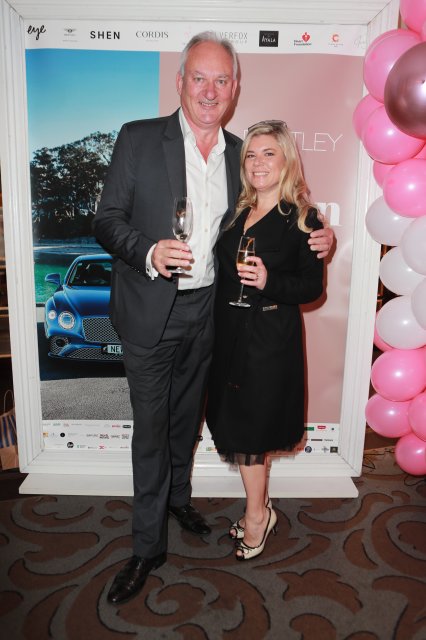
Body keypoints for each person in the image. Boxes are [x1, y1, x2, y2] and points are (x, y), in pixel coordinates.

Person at [94, 32, 333, 604]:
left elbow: (279, 214)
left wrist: (321, 236)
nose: (209, 90)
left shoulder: (239, 153)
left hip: (212, 314)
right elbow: (106, 220)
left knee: (186, 419)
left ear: (234, 88)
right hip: (151, 308)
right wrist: (148, 251)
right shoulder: (137, 138)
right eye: (199, 78)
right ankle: (147, 547)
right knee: (152, 429)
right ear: (180, 81)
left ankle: (178, 499)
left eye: (221, 80)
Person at [206, 120, 325, 560]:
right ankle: (262, 508)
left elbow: (311, 288)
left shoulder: (304, 219)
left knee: (251, 432)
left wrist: (268, 280)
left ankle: (257, 516)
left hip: (268, 343)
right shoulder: (235, 213)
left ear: (286, 160)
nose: (258, 163)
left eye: (269, 153)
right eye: (251, 155)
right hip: (227, 336)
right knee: (236, 425)